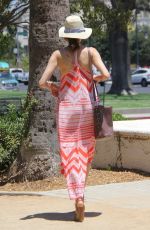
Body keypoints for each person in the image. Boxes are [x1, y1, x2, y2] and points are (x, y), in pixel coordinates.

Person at [39, 15, 110, 222]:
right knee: (84, 152)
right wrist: (92, 79)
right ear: (81, 36)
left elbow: (42, 82)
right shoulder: (91, 52)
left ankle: (77, 197)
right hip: (86, 109)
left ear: (66, 37)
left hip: (66, 111)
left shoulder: (58, 55)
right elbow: (105, 74)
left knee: (70, 153)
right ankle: (81, 195)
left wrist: (55, 86)